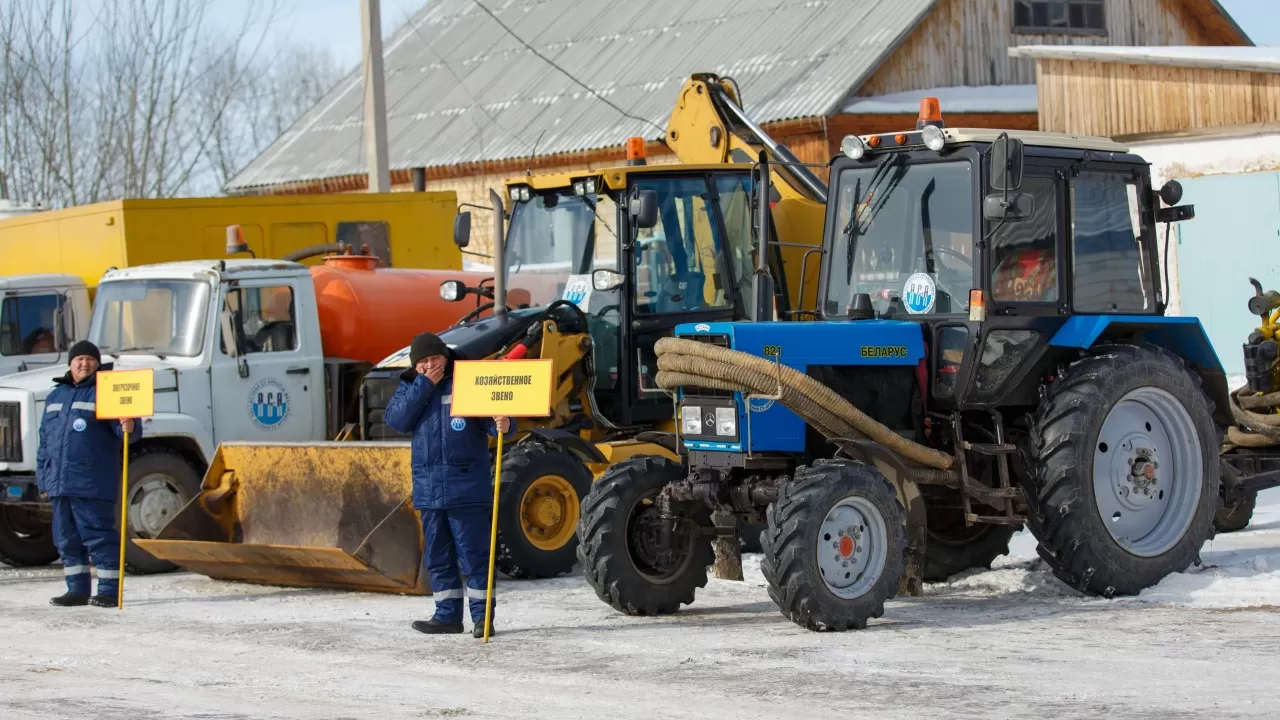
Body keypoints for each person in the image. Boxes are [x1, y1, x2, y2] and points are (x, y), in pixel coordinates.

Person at [384, 331, 511, 638]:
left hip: (467, 490)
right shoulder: (410, 388)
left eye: (434, 359)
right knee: (438, 559)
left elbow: (496, 422)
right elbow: (397, 420)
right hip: (429, 492)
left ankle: (483, 620)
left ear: (446, 357)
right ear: (416, 367)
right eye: (423, 362)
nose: (430, 365)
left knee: (474, 558)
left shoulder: (467, 381)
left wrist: (506, 424)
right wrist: (424, 386)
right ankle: (446, 617)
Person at [36, 340, 141, 607]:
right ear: (70, 363)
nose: (85, 363)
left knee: (99, 536)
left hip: (91, 482)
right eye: (79, 359)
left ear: (97, 363)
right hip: (60, 483)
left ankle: (108, 590)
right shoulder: (55, 395)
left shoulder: (107, 390)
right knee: (66, 540)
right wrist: (43, 480)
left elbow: (128, 434)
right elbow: (44, 443)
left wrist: (129, 425)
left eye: (90, 359)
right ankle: (77, 590)